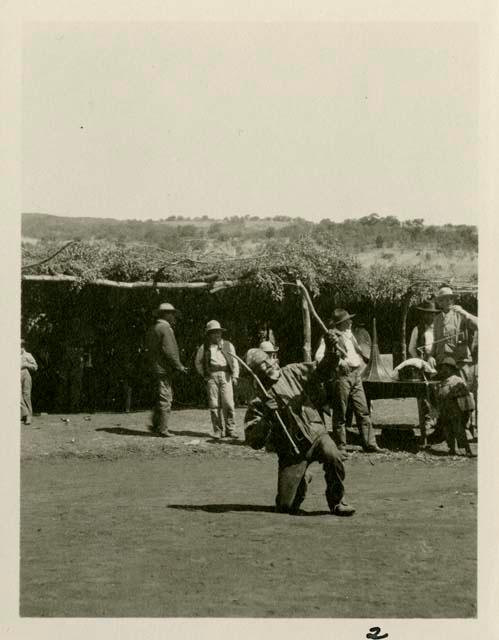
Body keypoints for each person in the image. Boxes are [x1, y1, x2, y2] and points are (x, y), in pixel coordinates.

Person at [243, 331, 355, 516]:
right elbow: (254, 441)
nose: (268, 366)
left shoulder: (292, 371)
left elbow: (322, 371)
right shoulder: (258, 401)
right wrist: (267, 418)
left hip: (316, 433)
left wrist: (331, 349)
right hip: (292, 451)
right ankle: (302, 478)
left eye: (267, 361)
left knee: (333, 457)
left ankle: (337, 501)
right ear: (255, 375)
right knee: (285, 508)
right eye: (260, 367)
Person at [315, 309, 383, 453]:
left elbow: (356, 352)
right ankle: (341, 446)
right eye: (347, 321)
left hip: (356, 375)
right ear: (341, 323)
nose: (350, 322)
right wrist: (339, 362)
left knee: (363, 410)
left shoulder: (349, 335)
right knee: (341, 412)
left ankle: (370, 444)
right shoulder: (330, 336)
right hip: (342, 377)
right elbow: (319, 357)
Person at [145, 302, 188, 436]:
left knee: (160, 397)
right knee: (165, 398)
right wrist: (179, 366)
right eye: (172, 314)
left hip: (154, 368)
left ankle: (156, 425)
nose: (174, 317)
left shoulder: (153, 328)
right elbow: (169, 351)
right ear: (166, 315)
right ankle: (163, 429)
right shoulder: (165, 329)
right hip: (163, 369)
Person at [195, 320, 239, 440]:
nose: (217, 335)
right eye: (214, 333)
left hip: (226, 375)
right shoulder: (204, 347)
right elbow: (198, 363)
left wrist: (235, 376)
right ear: (209, 334)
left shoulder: (228, 345)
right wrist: (205, 374)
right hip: (212, 376)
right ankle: (218, 430)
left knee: (228, 403)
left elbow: (235, 361)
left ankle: (231, 429)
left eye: (218, 332)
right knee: (214, 404)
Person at [431, 286, 478, 388]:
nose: (449, 301)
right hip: (443, 364)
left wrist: (465, 313)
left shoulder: (460, 314)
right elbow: (435, 341)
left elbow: (479, 326)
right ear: (440, 302)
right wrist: (431, 356)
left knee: (463, 392)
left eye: (451, 298)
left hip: (460, 363)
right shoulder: (437, 319)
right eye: (445, 299)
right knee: (446, 394)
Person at [408, 300, 440, 435]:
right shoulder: (417, 329)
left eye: (432, 314)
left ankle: (439, 421)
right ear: (423, 315)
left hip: (439, 364)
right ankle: (427, 421)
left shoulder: (440, 328)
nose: (430, 317)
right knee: (424, 394)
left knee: (439, 392)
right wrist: (420, 362)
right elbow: (411, 349)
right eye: (427, 314)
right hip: (423, 365)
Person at [435, 357, 475, 457]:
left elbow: (463, 397)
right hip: (446, 411)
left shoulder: (457, 380)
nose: (443, 370)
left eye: (446, 368)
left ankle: (467, 450)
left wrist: (465, 412)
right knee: (448, 431)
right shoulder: (443, 382)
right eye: (442, 368)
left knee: (459, 431)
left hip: (456, 411)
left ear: (451, 369)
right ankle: (451, 449)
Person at [21, 339, 38, 425]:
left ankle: (28, 417)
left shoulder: (28, 355)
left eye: (21, 346)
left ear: (23, 347)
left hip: (25, 374)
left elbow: (35, 367)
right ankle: (25, 414)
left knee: (26, 395)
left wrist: (26, 364)